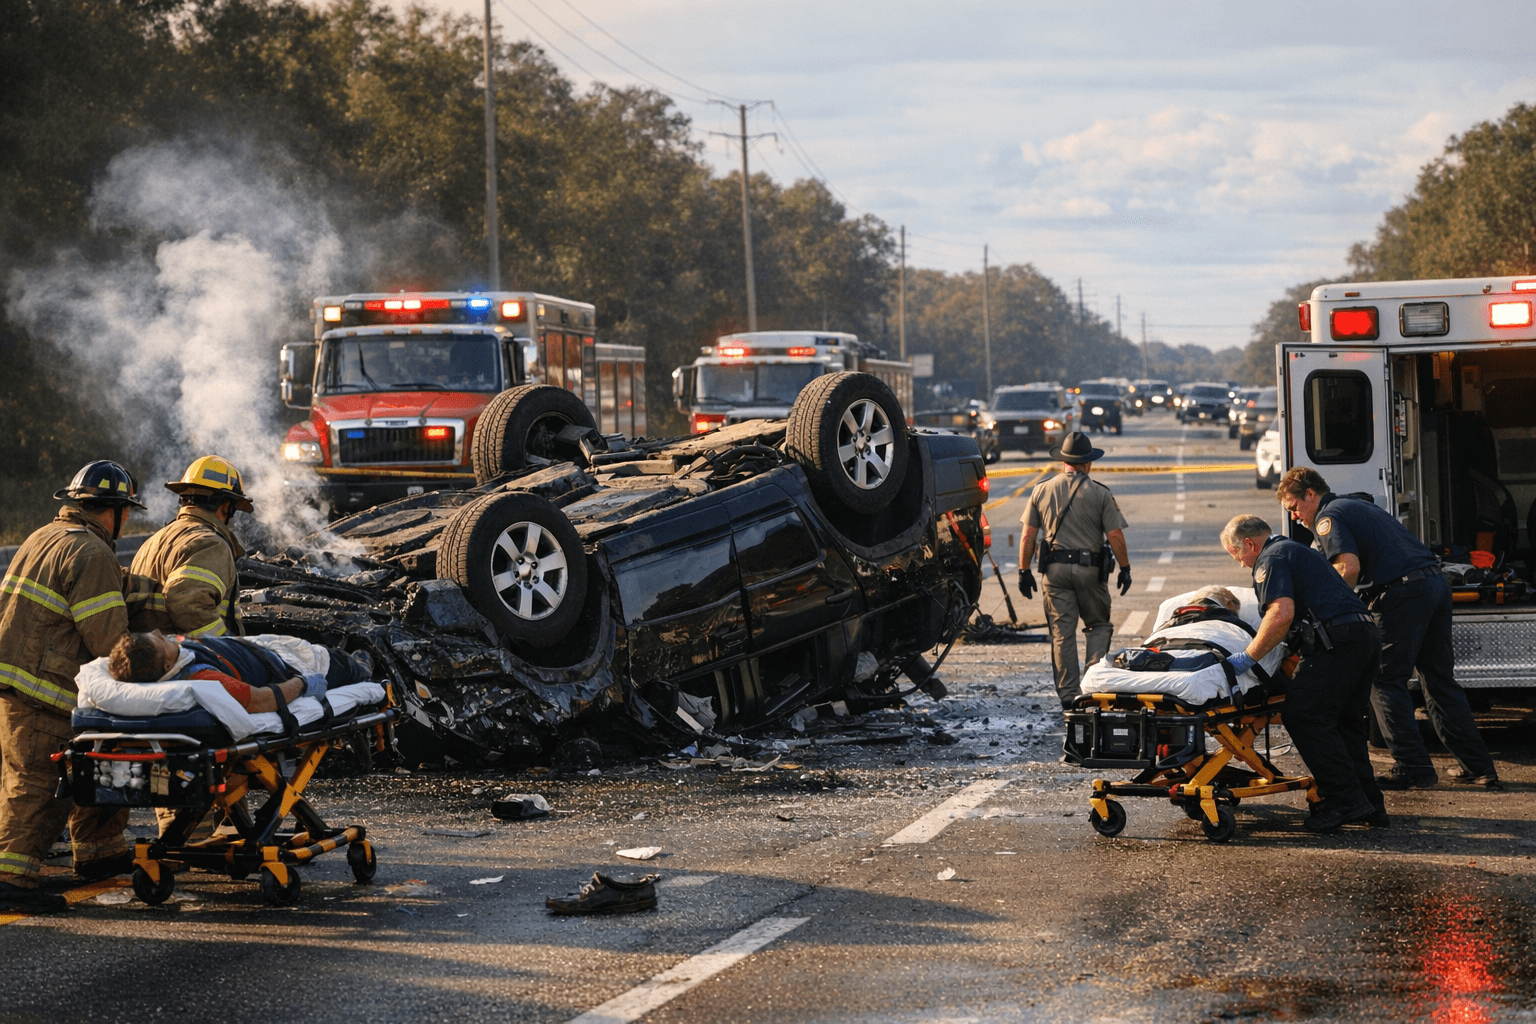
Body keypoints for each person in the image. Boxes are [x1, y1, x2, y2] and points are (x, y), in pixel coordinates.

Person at [1276, 468, 1500, 790]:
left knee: (1383, 678)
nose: (1295, 517)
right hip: (1433, 584)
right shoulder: (1355, 505)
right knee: (1438, 679)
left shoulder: (1329, 517)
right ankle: (1479, 768)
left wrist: (1329, 609)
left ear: (1311, 494)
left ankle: (1413, 766)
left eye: (1294, 507)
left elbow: (1347, 567)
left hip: (1403, 593)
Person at [0, 461, 146, 913]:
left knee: (77, 770)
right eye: (127, 513)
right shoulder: (93, 554)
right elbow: (107, 638)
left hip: (16, 678)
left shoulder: (42, 537)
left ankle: (99, 853)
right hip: (48, 688)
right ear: (114, 511)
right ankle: (12, 881)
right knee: (36, 784)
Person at [1220, 514, 1386, 832]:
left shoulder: (1270, 558)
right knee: (1344, 722)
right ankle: (1370, 804)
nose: (1241, 564)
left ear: (1250, 544)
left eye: (1238, 555)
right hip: (1363, 634)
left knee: (1304, 715)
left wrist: (1247, 658)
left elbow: (1281, 613)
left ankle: (1343, 801)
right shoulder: (1294, 549)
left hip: (1337, 641)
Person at [1017, 431, 1132, 708]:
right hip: (1090, 572)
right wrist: (1125, 568)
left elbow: (1028, 536)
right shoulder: (1100, 492)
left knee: (1062, 634)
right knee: (1098, 625)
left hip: (1054, 573)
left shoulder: (1041, 490)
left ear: (1064, 462)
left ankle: (1069, 698)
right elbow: (1115, 535)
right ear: (1088, 463)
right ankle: (1092, 689)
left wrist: (1023, 571)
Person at [130, 455, 252, 639]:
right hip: (183, 661)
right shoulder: (211, 544)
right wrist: (227, 649)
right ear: (226, 506)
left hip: (148, 655)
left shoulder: (153, 541)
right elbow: (187, 602)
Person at [105, 630, 373, 709]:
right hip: (294, 664)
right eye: (160, 640)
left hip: (262, 647)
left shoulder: (172, 660)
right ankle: (364, 667)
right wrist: (305, 683)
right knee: (345, 664)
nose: (159, 632)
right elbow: (261, 699)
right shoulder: (201, 677)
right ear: (166, 666)